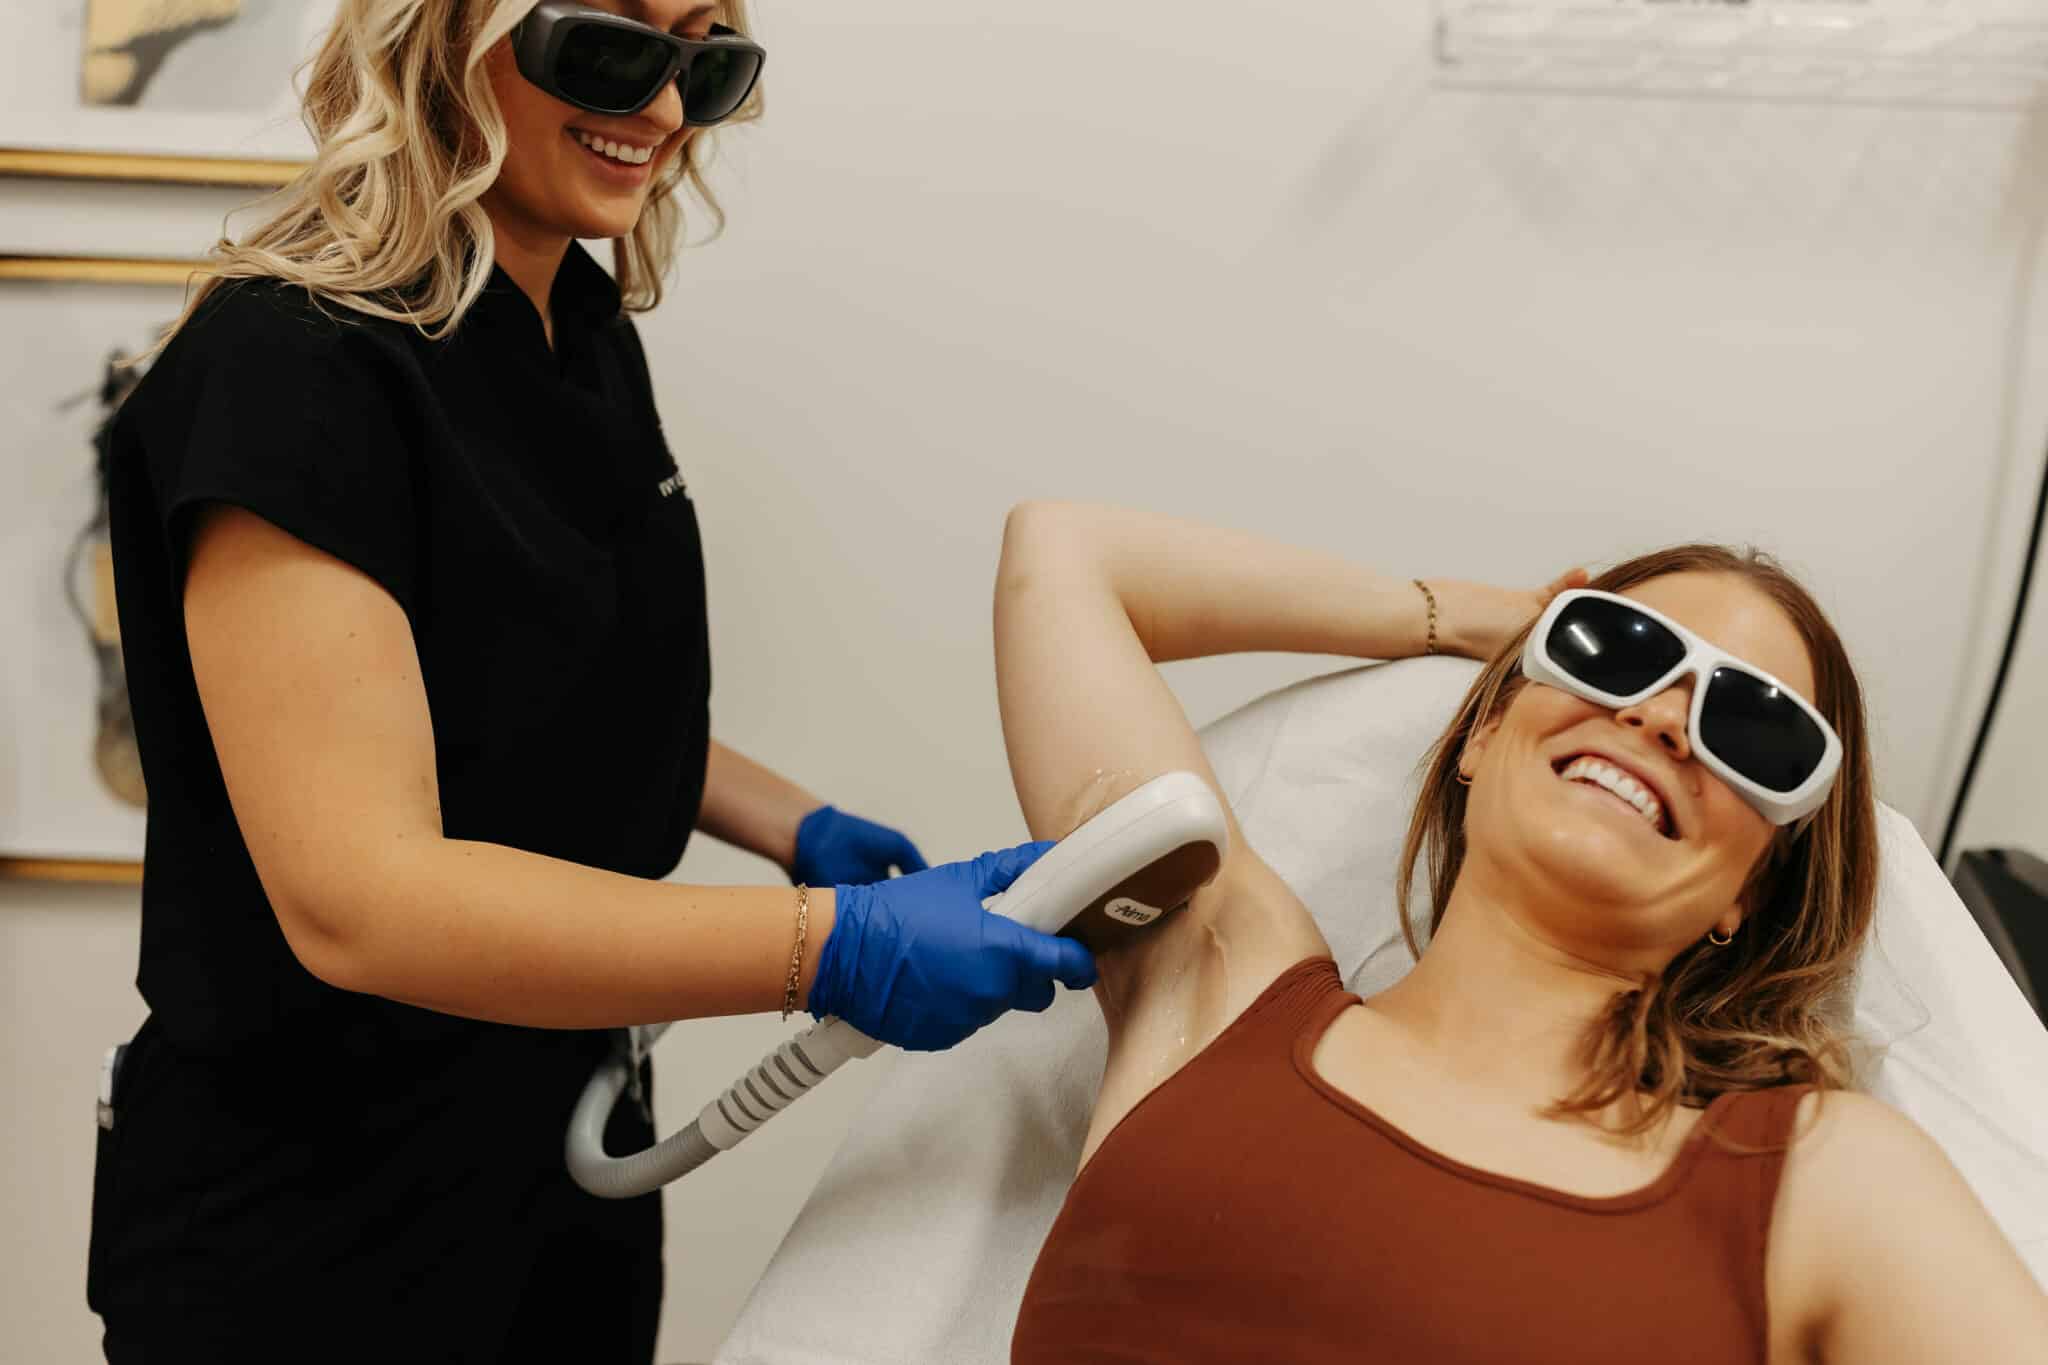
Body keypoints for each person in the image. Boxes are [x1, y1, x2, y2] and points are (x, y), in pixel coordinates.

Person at [86, 4, 1093, 1362]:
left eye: (710, 63)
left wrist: (791, 826)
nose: (671, 112)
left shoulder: (576, 325)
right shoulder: (293, 366)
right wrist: (830, 946)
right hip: (321, 1232)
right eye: (614, 49)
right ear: (446, 36)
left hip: (561, 1173)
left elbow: (539, 679)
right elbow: (360, 901)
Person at [992, 500, 2048, 1362]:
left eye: (1754, 727)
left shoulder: (1817, 1185)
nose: (1662, 717)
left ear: (1749, 892)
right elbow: (1065, 554)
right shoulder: (1216, 981)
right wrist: (1472, 617)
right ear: (1483, 732)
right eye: (1612, 650)